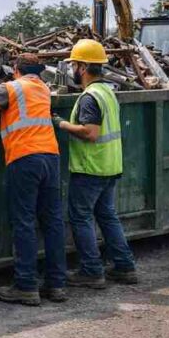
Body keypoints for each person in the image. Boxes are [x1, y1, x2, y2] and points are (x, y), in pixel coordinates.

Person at [0, 53, 67, 305]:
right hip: (51, 156)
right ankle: (56, 285)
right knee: (52, 221)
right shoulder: (44, 89)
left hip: (25, 158)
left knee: (24, 221)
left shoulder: (12, 88)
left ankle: (26, 285)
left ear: (15, 69)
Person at [54, 39, 138, 288]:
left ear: (81, 67)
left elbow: (90, 132)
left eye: (73, 65)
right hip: (109, 166)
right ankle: (124, 266)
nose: (71, 69)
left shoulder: (90, 97)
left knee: (80, 218)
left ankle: (91, 271)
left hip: (91, 168)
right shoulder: (107, 92)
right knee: (107, 217)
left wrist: (59, 123)